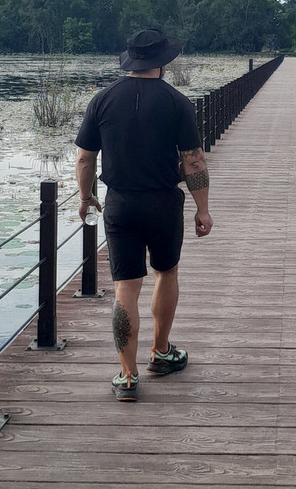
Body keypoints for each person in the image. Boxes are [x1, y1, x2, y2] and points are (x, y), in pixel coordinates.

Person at [75, 28, 213, 401]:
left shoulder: (103, 99)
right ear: (162, 62)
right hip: (163, 203)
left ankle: (127, 376)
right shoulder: (177, 102)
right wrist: (202, 209)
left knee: (125, 288)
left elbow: (85, 158)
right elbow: (193, 161)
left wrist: (86, 197)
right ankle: (161, 353)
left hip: (120, 204)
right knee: (166, 273)